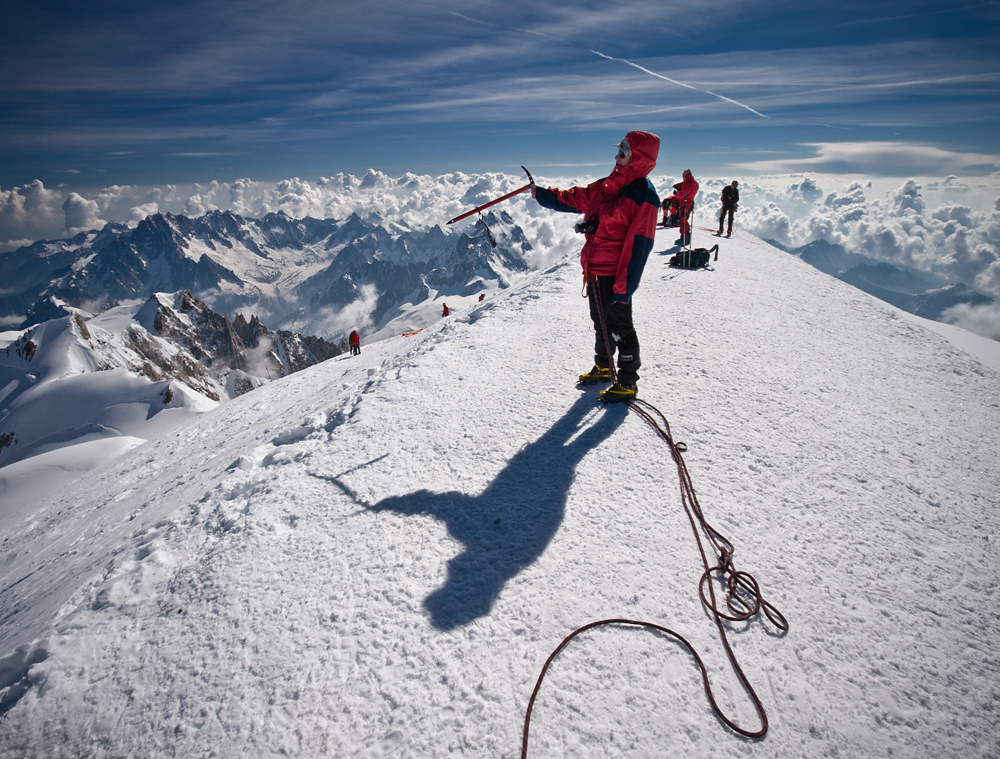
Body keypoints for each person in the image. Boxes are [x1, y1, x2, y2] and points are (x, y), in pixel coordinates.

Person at [533, 130, 660, 403]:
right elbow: (575, 198)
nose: (617, 155)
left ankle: (628, 382)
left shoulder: (644, 197)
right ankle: (604, 367)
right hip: (594, 270)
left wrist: (622, 291)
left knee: (620, 327)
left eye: (624, 152)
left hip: (615, 275)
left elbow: (638, 249)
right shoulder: (608, 186)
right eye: (619, 149)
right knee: (600, 323)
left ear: (638, 158)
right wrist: (542, 195)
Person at [673, 169, 699, 246]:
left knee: (683, 221)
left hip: (684, 204)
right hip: (690, 203)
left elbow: (682, 195)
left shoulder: (686, 183)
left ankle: (684, 237)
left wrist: (676, 194)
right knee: (685, 220)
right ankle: (686, 236)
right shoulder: (695, 183)